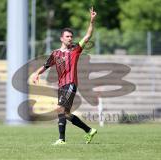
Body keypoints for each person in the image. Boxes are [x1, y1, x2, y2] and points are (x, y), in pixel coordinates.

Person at [32, 7, 97, 145]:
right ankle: (89, 130)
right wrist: (36, 74)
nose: (70, 38)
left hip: (71, 83)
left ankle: (61, 140)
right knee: (65, 114)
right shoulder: (55, 53)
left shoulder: (75, 49)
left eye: (71, 36)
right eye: (67, 36)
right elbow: (46, 66)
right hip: (61, 86)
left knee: (59, 109)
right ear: (61, 38)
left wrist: (92, 21)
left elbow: (87, 36)